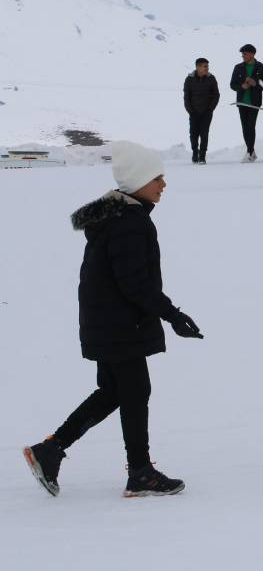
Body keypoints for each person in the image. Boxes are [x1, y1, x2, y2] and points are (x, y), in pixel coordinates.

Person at [23, 141, 203, 497]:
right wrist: (173, 315)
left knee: (113, 392)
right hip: (121, 325)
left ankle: (51, 450)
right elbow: (134, 282)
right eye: (156, 178)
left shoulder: (116, 216)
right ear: (136, 180)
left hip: (106, 322)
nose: (163, 184)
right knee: (134, 392)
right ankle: (140, 472)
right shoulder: (131, 222)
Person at [229, 44, 263, 162]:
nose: (243, 56)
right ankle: (251, 151)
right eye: (242, 54)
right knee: (245, 127)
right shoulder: (238, 67)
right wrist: (241, 87)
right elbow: (232, 85)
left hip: (254, 102)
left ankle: (250, 151)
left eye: (245, 54)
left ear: (252, 54)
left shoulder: (261, 67)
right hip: (242, 102)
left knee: (251, 126)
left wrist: (255, 84)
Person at [183, 57, 219, 164]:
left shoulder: (211, 78)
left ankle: (202, 155)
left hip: (207, 112)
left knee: (204, 133)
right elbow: (186, 96)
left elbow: (216, 95)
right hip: (193, 111)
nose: (207, 68)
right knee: (193, 133)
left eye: (207, 66)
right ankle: (195, 152)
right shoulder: (189, 79)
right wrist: (190, 110)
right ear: (197, 67)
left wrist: (210, 109)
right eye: (205, 66)